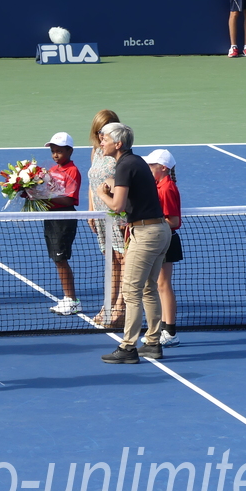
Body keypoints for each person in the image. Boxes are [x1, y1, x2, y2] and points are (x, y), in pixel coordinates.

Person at [96, 123, 171, 363]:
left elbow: (117, 206)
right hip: (159, 231)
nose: (101, 142)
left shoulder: (125, 165)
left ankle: (128, 347)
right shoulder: (135, 162)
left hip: (146, 234)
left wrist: (102, 194)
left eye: (104, 138)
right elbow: (131, 200)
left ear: (118, 144)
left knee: (131, 291)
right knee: (149, 288)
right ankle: (152, 343)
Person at [87, 109, 127, 328]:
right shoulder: (96, 151)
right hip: (100, 215)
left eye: (108, 130)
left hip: (116, 213)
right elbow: (91, 182)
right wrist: (91, 211)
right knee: (111, 260)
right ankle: (108, 305)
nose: (103, 135)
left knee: (123, 260)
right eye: (100, 131)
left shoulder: (120, 153)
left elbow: (123, 185)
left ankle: (121, 307)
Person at [143, 149, 183, 348]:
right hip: (159, 238)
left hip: (166, 240)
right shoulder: (158, 185)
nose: (148, 168)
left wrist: (148, 223)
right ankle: (162, 328)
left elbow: (173, 220)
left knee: (163, 285)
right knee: (157, 285)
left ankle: (170, 331)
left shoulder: (166, 188)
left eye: (151, 165)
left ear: (163, 168)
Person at [44, 132, 83, 316]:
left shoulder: (72, 171)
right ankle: (68, 298)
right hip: (51, 218)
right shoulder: (52, 170)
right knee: (56, 258)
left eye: (59, 151)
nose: (55, 155)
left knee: (61, 259)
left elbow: (69, 200)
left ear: (70, 151)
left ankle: (72, 300)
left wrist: (46, 197)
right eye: (53, 151)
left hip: (64, 219)